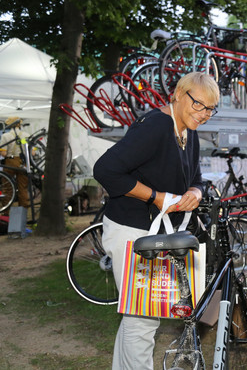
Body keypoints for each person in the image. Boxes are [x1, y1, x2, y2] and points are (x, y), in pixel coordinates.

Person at [93, 72, 219, 370]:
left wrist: (194, 191)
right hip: (132, 232)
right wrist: (156, 197)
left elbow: (196, 177)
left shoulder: (189, 130)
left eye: (210, 109)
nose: (203, 114)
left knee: (137, 315)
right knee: (144, 319)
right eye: (198, 105)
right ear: (178, 94)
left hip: (154, 234)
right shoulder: (155, 126)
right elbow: (106, 170)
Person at [0, 117, 31, 209]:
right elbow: (32, 152)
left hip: (10, 162)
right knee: (23, 188)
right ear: (19, 124)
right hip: (23, 162)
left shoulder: (6, 136)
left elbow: (3, 153)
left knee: (8, 187)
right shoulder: (25, 135)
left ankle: (6, 211)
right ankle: (23, 210)